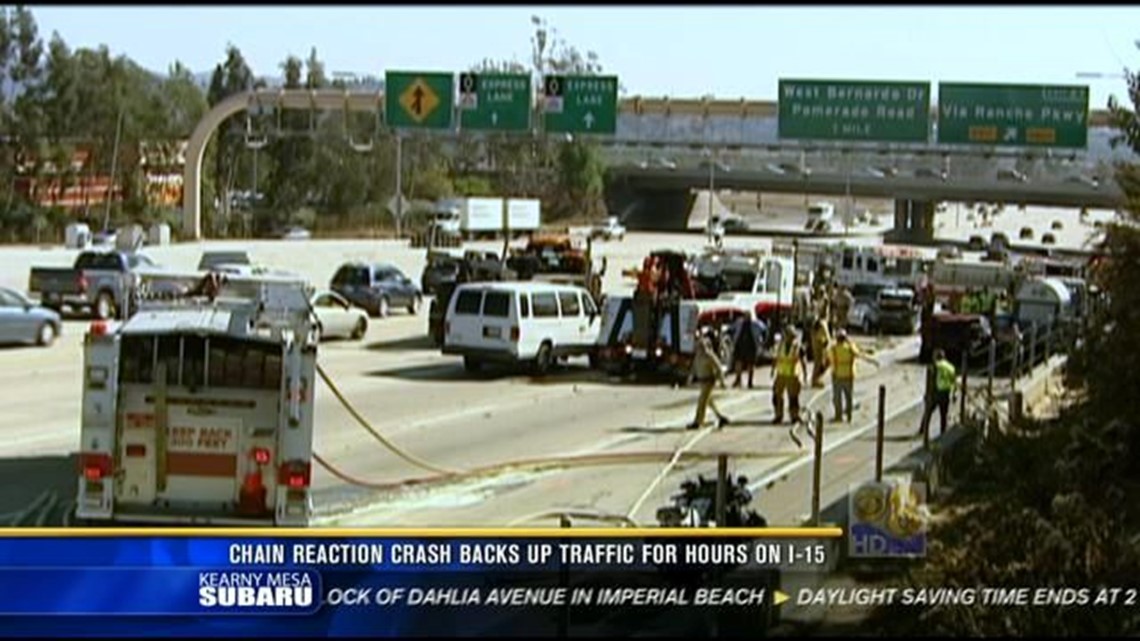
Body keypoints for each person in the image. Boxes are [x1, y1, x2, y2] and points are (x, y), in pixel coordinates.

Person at [828, 328, 880, 423]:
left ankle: (838, 416)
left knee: (837, 397)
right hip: (849, 374)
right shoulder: (850, 348)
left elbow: (829, 359)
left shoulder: (833, 349)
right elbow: (859, 354)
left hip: (837, 375)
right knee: (849, 396)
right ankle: (849, 416)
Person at [688, 327, 731, 430]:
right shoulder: (698, 355)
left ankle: (698, 422)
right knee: (709, 402)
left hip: (709, 380)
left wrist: (722, 381)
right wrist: (690, 377)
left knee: (702, 402)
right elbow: (694, 367)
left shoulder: (708, 355)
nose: (699, 345)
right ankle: (720, 417)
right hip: (702, 380)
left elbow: (719, 367)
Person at [918, 348, 957, 438]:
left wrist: (927, 394)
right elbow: (954, 381)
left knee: (928, 412)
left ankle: (922, 430)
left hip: (936, 392)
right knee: (943, 414)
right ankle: (943, 432)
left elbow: (932, 381)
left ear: (936, 357)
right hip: (946, 393)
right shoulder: (950, 367)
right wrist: (954, 393)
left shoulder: (935, 366)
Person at [771, 328, 808, 425]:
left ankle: (794, 416)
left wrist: (805, 374)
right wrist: (773, 370)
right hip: (781, 374)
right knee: (777, 395)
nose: (789, 338)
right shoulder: (779, 346)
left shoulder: (798, 347)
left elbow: (803, 361)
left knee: (793, 397)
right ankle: (778, 415)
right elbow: (776, 358)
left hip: (793, 375)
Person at [730, 313, 766, 388]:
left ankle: (750, 382)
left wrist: (761, 341)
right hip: (739, 345)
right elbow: (731, 329)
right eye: (745, 316)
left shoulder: (756, 323)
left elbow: (764, 330)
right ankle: (738, 380)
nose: (746, 317)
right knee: (738, 362)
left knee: (750, 364)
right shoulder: (739, 322)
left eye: (748, 316)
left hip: (751, 345)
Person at [810, 317, 832, 388]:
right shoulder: (821, 323)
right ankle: (815, 380)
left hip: (822, 343)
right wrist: (824, 341)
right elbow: (820, 335)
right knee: (819, 362)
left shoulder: (824, 322)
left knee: (826, 362)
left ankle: (817, 378)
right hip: (820, 344)